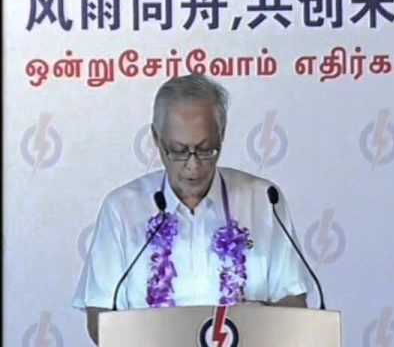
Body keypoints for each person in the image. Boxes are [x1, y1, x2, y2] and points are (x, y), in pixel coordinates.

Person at [72, 74, 310, 344]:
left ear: (222, 135)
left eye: (206, 150)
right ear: (156, 139)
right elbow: (100, 316)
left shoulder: (264, 200)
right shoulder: (123, 208)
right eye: (179, 150)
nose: (193, 166)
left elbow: (293, 301)